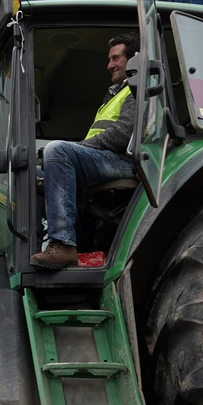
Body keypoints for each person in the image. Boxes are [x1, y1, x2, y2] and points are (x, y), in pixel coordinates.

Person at [31, 33, 140, 270]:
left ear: (133, 61)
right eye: (109, 59)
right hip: (103, 159)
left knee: (58, 151)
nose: (109, 64)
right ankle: (36, 247)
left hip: (122, 162)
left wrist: (78, 148)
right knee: (32, 176)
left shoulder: (136, 89)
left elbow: (121, 135)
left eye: (116, 58)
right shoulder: (113, 95)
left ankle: (64, 245)